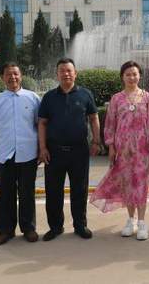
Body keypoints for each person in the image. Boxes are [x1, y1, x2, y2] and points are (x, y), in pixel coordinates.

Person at [90, 61, 149, 241]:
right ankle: (131, 220)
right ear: (122, 76)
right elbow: (110, 124)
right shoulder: (116, 99)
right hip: (123, 150)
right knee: (128, 184)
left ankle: (142, 222)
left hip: (143, 150)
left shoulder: (147, 98)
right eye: (128, 74)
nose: (131, 77)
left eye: (135, 74)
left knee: (142, 185)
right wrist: (111, 146)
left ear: (140, 76)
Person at [38, 58, 101, 242]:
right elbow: (42, 123)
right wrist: (42, 148)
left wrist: (96, 141)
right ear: (57, 74)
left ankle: (80, 225)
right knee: (53, 191)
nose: (66, 74)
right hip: (54, 151)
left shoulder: (85, 94)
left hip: (79, 151)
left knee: (79, 190)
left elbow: (94, 118)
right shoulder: (49, 97)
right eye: (62, 71)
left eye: (69, 70)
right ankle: (55, 227)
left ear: (75, 73)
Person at [0, 62, 40, 246]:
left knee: (27, 193)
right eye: (8, 74)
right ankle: (6, 231)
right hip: (4, 155)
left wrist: (41, 148)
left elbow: (40, 125)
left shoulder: (33, 98)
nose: (12, 77)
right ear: (3, 77)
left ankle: (28, 228)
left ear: (21, 76)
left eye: (15, 74)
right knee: (5, 194)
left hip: (28, 153)